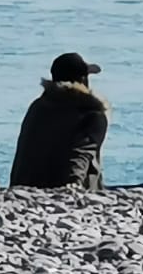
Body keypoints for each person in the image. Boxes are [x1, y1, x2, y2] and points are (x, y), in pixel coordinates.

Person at [10, 53, 110, 190]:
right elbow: (81, 154)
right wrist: (73, 186)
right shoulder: (92, 113)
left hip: (23, 187)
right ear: (83, 79)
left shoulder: (38, 107)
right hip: (60, 190)